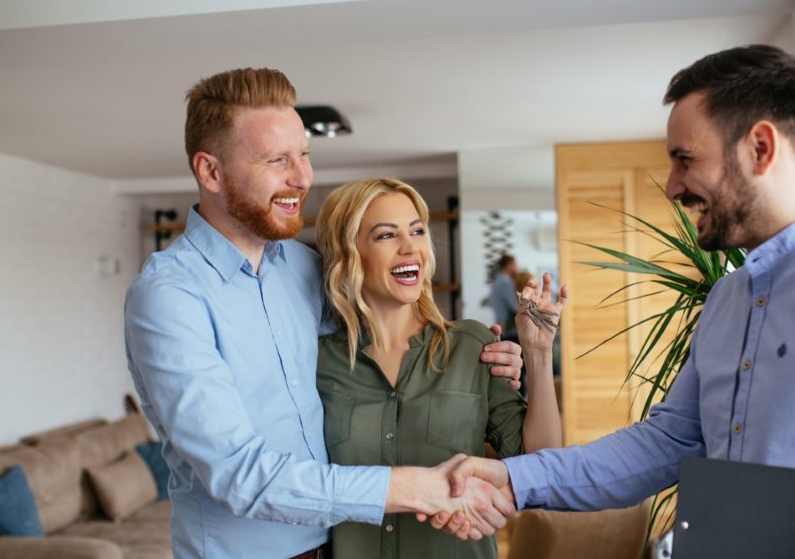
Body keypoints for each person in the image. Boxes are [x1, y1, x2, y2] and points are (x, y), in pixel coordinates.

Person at [434, 45, 795, 558]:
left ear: (760, 147)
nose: (672, 187)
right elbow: (668, 443)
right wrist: (512, 477)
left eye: (685, 160)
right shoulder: (728, 299)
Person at [123, 68, 523, 559]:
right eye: (277, 160)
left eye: (304, 155)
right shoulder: (169, 296)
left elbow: (381, 350)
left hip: (336, 546)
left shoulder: (303, 268)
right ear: (210, 172)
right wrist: (416, 488)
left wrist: (496, 357)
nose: (303, 178)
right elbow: (237, 474)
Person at [314, 178, 565, 558]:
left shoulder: (472, 346)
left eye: (417, 230)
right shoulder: (318, 362)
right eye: (386, 235)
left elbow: (541, 464)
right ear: (349, 253)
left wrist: (538, 354)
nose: (410, 247)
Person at [489, 253, 519, 339]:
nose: (517, 267)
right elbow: (516, 307)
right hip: (511, 331)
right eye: (515, 264)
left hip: (503, 329)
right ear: (509, 265)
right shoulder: (505, 283)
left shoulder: (496, 281)